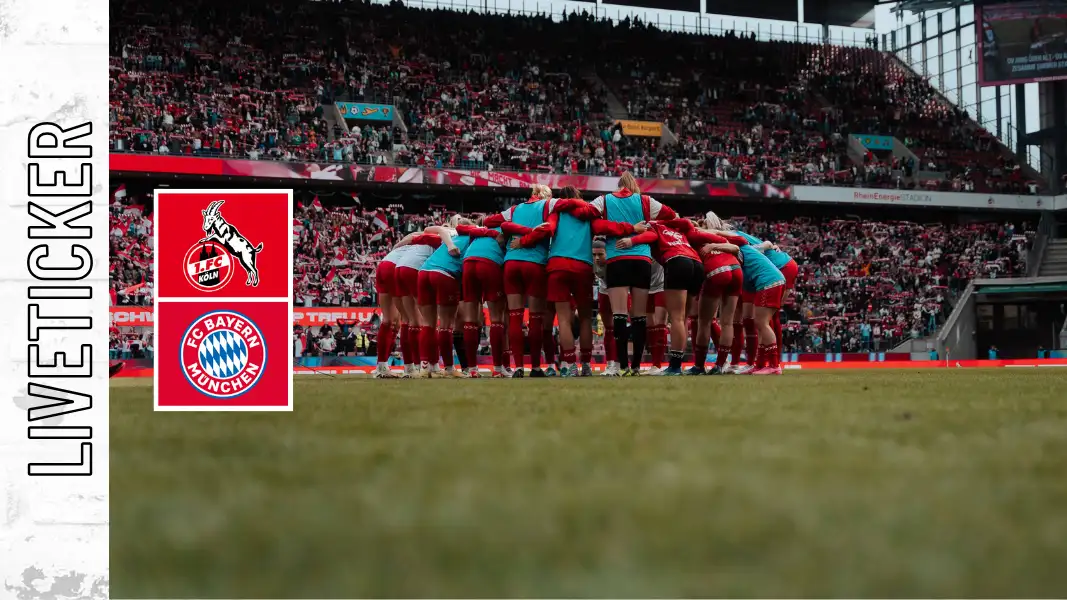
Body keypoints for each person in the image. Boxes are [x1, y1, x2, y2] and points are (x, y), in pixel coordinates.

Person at [588, 172, 677, 376]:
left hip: (616, 260)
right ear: (634, 186)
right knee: (639, 317)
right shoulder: (646, 201)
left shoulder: (604, 200)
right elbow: (670, 214)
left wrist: (619, 229)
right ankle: (636, 366)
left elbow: (592, 220)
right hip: (642, 260)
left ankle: (622, 366)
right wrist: (646, 228)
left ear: (618, 186)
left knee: (618, 315)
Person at [617, 220, 709, 375]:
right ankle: (680, 364)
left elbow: (650, 235)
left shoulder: (655, 227)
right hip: (697, 264)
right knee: (683, 318)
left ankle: (674, 366)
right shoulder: (677, 231)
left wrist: (631, 241)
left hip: (677, 262)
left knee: (676, 319)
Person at [485, 185, 553, 377]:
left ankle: (518, 367)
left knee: (514, 316)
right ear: (545, 196)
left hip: (512, 263)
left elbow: (491, 221)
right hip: (536, 264)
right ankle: (536, 367)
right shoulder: (549, 206)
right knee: (536, 318)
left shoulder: (514, 209)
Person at [457, 218, 511, 377]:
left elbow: (461, 227)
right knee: (497, 319)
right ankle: (499, 369)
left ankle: (472, 369)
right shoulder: (504, 230)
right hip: (490, 263)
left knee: (470, 319)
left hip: (468, 263)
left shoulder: (478, 231)